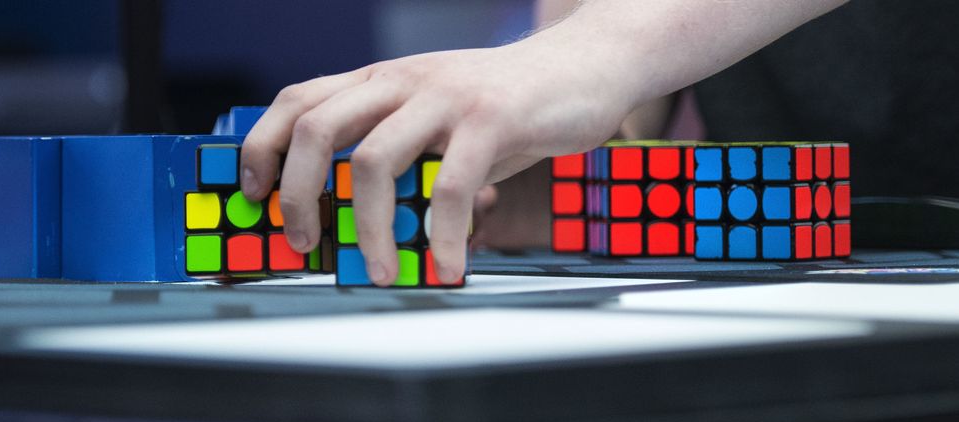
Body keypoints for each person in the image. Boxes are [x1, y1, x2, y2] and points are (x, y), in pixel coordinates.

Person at [241, 0, 861, 287]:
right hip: (763, 273)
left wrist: (585, 56)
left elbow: (582, 61)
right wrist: (546, 185)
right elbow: (599, 112)